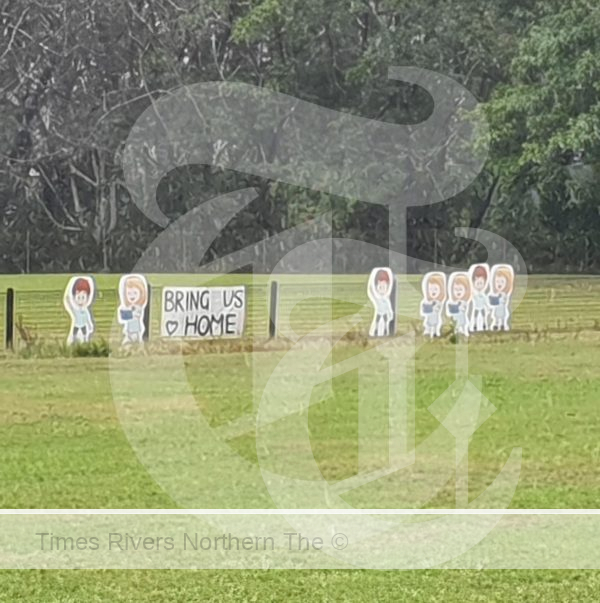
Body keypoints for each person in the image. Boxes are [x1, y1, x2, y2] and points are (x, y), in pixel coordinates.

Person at [118, 275, 148, 344]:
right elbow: (124, 318)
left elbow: (133, 315)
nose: (132, 296)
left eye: (135, 293)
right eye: (129, 293)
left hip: (135, 328)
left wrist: (125, 313)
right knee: (129, 339)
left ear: (141, 293)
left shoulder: (138, 308)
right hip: (129, 329)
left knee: (135, 339)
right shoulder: (129, 307)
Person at [65, 277, 94, 344]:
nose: (81, 300)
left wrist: (89, 325)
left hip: (83, 325)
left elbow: (87, 318)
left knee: (84, 333)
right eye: (78, 297)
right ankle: (73, 340)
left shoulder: (85, 310)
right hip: (77, 324)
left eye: (83, 297)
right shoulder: (75, 309)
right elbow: (69, 304)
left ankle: (84, 340)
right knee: (74, 333)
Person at [369, 269, 394, 337]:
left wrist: (390, 313)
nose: (382, 289)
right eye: (380, 287)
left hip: (384, 313)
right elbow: (372, 293)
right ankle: (376, 331)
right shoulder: (378, 298)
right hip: (379, 312)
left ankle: (385, 331)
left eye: (384, 287)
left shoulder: (386, 299)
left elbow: (389, 306)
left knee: (385, 322)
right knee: (377, 321)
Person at [420, 272, 446, 338]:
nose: (433, 291)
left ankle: (435, 332)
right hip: (429, 317)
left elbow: (438, 309)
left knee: (435, 324)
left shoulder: (438, 302)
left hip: (435, 317)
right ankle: (427, 331)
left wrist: (434, 306)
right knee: (428, 323)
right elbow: (424, 311)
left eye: (436, 289)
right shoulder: (427, 301)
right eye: (430, 289)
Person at [446, 272, 472, 337]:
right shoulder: (451, 302)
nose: (458, 292)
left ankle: (464, 331)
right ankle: (456, 331)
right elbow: (449, 312)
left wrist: (460, 306)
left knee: (463, 324)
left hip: (462, 317)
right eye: (456, 289)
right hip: (455, 317)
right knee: (456, 325)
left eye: (460, 289)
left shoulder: (464, 302)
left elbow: (464, 309)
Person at [489, 265, 514, 331]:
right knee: (496, 316)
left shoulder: (504, 294)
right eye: (497, 282)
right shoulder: (495, 293)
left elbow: (505, 301)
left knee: (502, 316)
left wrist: (500, 298)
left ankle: (502, 324)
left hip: (502, 308)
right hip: (497, 308)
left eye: (502, 282)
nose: (499, 284)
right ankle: (496, 324)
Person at [469, 264, 490, 332]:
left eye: (481, 283)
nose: (479, 285)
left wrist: (488, 307)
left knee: (483, 316)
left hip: (482, 307)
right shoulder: (475, 294)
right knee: (475, 316)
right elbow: (471, 297)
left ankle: (484, 324)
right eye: (477, 283)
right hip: (477, 308)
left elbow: (486, 301)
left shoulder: (483, 295)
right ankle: (475, 325)